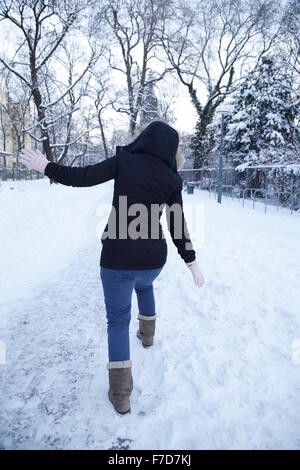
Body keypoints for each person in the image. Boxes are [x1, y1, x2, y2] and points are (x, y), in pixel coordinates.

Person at [20, 120, 205, 415]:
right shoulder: (172, 180)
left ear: (145, 139)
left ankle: (121, 394)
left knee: (118, 321)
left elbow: (82, 177)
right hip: (153, 259)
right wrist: (191, 261)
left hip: (118, 257)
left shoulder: (125, 161)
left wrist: (47, 166)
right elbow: (177, 225)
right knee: (144, 284)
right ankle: (148, 337)